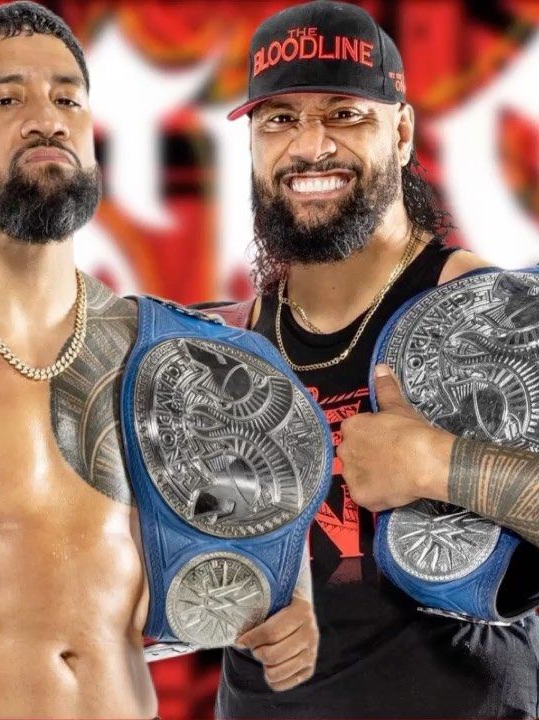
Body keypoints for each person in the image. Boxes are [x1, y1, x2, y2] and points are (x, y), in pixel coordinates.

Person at [0, 3, 319, 718]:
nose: (45, 117)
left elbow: (249, 532)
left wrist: (288, 609)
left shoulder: (162, 352)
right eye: (5, 98)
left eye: (66, 98)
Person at [213, 1, 539, 717]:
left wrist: (438, 466)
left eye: (344, 114)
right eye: (280, 119)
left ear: (401, 130)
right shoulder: (226, 345)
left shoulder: (491, 314)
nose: (311, 146)